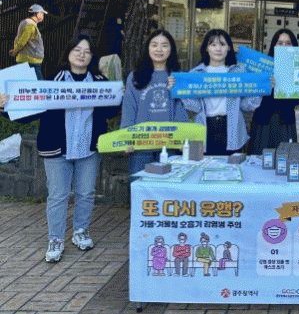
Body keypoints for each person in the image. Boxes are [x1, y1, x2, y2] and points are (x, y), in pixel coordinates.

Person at [0, 35, 120, 262]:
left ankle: (80, 231)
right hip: (56, 150)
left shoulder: (100, 81)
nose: (81, 54)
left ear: (92, 57)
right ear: (68, 53)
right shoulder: (53, 81)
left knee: (86, 193)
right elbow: (30, 110)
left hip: (88, 149)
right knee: (57, 196)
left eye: (87, 51)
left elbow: (111, 111)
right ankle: (55, 239)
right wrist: (5, 106)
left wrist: (117, 95)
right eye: (77, 50)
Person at [184, 29, 262, 155]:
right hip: (205, 127)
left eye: (222, 44)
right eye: (213, 45)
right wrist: (179, 92)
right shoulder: (196, 74)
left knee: (232, 165)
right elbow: (195, 107)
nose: (218, 49)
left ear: (229, 48)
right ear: (206, 48)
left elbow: (245, 106)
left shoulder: (239, 72)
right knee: (206, 165)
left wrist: (261, 89)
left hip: (232, 128)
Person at [121, 29, 187, 175]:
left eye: (164, 45)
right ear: (148, 48)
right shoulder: (135, 76)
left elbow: (181, 110)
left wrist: (183, 138)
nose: (159, 49)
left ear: (171, 49)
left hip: (170, 146)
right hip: (141, 146)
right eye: (154, 45)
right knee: (140, 186)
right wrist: (126, 138)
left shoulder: (178, 77)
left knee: (169, 186)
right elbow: (129, 108)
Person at [248, 29, 299, 154]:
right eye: (280, 43)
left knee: (284, 160)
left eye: (288, 43)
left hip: (286, 123)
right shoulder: (262, 67)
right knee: (260, 161)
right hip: (262, 123)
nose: (284, 46)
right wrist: (265, 85)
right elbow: (251, 97)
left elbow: (298, 100)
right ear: (274, 45)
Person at [9, 4, 48, 79]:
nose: (43, 16)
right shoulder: (30, 25)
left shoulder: (27, 23)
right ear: (36, 14)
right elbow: (22, 42)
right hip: (30, 61)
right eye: (42, 13)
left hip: (29, 60)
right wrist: (14, 51)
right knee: (39, 83)